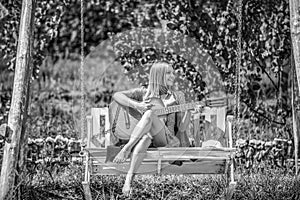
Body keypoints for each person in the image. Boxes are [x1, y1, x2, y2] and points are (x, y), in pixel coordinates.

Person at [112, 62, 199, 196]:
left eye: (172, 72)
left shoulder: (177, 96)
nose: (173, 76)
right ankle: (129, 179)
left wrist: (189, 111)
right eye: (168, 73)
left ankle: (126, 149)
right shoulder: (143, 93)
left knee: (149, 114)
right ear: (158, 75)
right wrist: (137, 105)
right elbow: (117, 96)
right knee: (146, 136)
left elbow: (182, 128)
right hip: (145, 138)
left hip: (166, 140)